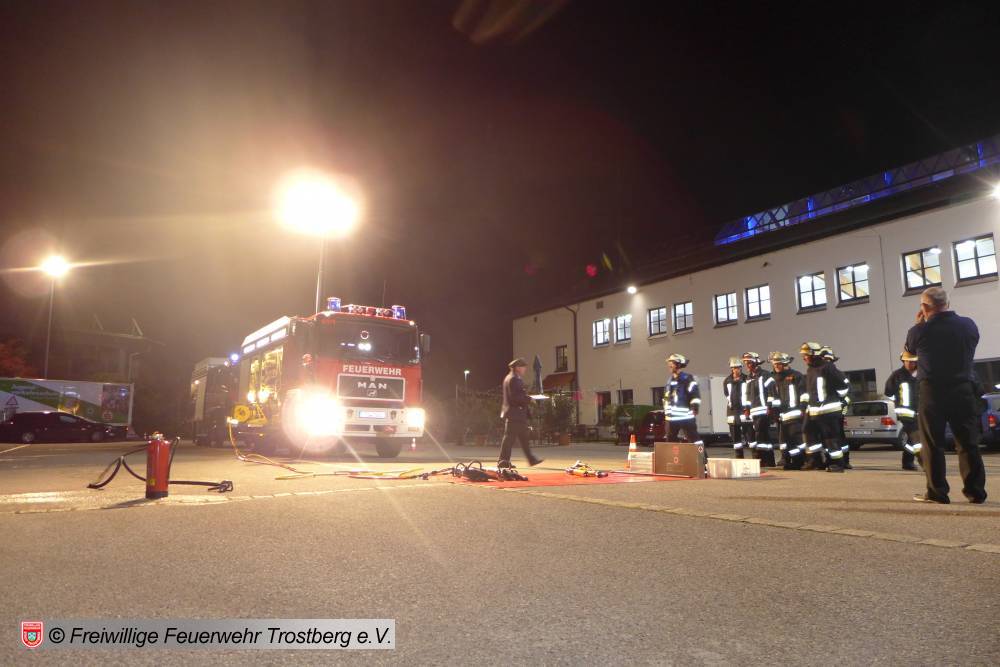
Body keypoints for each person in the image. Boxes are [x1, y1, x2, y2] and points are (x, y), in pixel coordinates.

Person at [905, 287, 986, 504]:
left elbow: (909, 354)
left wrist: (920, 324)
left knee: (933, 443)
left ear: (924, 307)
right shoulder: (968, 325)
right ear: (947, 304)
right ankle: (976, 492)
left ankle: (937, 492)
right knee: (968, 442)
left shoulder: (919, 331)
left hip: (932, 391)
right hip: (963, 388)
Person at [803, 343, 848, 472]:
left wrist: (835, 399)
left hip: (829, 410)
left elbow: (843, 387)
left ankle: (838, 464)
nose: (804, 358)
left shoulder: (827, 367)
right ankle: (817, 461)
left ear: (814, 354)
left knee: (830, 438)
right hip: (815, 411)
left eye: (806, 355)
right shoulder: (810, 370)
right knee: (810, 433)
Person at [499, 358, 543, 469]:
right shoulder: (514, 379)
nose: (525, 369)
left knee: (522, 438)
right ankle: (503, 461)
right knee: (510, 439)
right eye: (523, 367)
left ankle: (530, 459)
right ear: (518, 368)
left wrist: (527, 398)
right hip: (516, 413)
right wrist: (529, 399)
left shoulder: (508, 378)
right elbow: (516, 397)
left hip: (514, 413)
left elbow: (516, 395)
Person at [770, 351, 808, 470]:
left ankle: (803, 460)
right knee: (788, 441)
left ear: (785, 363)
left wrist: (803, 408)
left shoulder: (796, 376)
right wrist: (774, 412)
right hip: (783, 416)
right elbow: (773, 397)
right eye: (774, 364)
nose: (776, 366)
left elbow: (804, 394)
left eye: (778, 364)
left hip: (795, 414)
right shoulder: (774, 378)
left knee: (797, 439)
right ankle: (795, 461)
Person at [884, 350, 922, 471]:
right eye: (908, 361)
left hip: (920, 412)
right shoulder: (897, 375)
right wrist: (899, 403)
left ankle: (907, 462)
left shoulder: (922, 373)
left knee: (911, 440)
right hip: (905, 413)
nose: (911, 364)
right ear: (903, 361)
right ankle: (926, 463)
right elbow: (888, 392)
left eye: (913, 361)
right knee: (917, 438)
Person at [742, 351, 779, 467]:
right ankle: (769, 461)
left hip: (764, 411)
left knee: (761, 435)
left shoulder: (765, 375)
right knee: (762, 436)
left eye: (749, 362)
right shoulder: (749, 378)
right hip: (754, 412)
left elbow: (772, 392)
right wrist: (747, 408)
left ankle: (764, 460)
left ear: (756, 362)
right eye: (746, 363)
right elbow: (748, 395)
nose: (747, 365)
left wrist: (770, 407)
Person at [663, 354, 704, 452]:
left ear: (678, 364)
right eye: (669, 363)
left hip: (686, 416)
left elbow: (695, 394)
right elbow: (666, 398)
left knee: (694, 440)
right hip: (671, 418)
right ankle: (673, 460)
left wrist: (694, 407)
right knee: (670, 442)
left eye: (671, 363)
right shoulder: (669, 381)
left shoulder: (687, 378)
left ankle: (702, 459)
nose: (669, 365)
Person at [820, 346, 853, 469]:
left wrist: (844, 404)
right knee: (827, 437)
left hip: (837, 409)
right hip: (824, 410)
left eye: (828, 360)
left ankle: (845, 460)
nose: (826, 362)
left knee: (839, 435)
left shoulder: (838, 374)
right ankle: (830, 459)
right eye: (824, 359)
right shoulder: (819, 374)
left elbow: (849, 391)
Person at [723, 357, 748, 458]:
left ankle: (756, 456)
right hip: (732, 411)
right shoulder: (727, 380)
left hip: (745, 410)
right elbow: (726, 394)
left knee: (750, 435)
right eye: (733, 368)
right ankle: (739, 456)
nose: (735, 370)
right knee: (735, 437)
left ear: (741, 368)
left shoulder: (747, 379)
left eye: (737, 367)